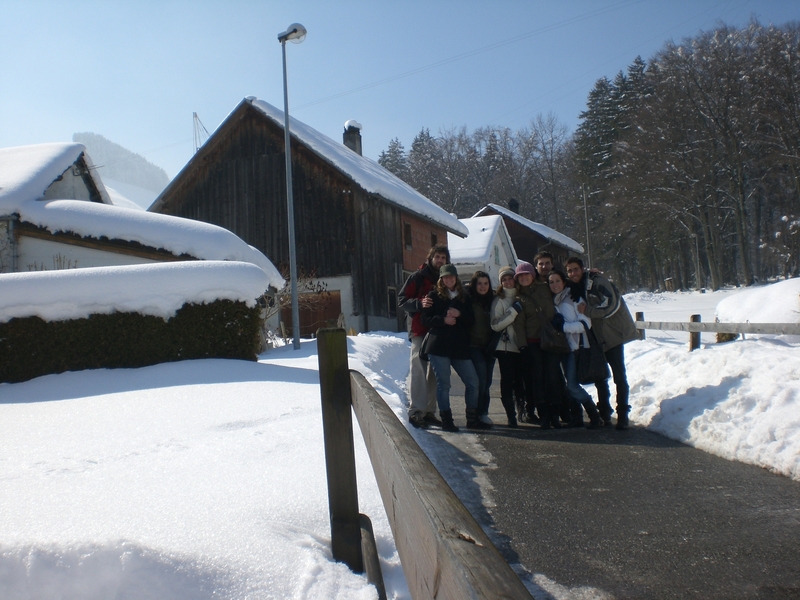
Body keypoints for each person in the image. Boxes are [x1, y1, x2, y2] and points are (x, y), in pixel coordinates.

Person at [566, 257, 638, 430]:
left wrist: (588, 311)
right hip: (596, 339)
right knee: (600, 377)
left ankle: (622, 415)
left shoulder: (597, 282)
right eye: (569, 271)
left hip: (612, 336)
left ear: (582, 269)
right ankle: (605, 413)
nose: (573, 273)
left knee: (619, 376)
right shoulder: (576, 287)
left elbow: (611, 304)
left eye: (575, 269)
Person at [421, 264, 489, 432]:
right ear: (441, 279)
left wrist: (460, 314)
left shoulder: (464, 297)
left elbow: (471, 320)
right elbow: (425, 319)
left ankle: (472, 419)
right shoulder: (433, 295)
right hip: (439, 347)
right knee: (444, 385)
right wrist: (443, 320)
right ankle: (447, 421)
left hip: (460, 348)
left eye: (451, 276)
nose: (449, 279)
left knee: (473, 382)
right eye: (445, 277)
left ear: (456, 278)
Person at [398, 245, 449, 429]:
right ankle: (416, 411)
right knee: (419, 369)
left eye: (443, 258)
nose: (440, 260)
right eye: (437, 257)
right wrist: (419, 303)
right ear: (430, 258)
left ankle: (429, 411)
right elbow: (402, 300)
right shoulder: (417, 277)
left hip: (439, 331)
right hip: (419, 329)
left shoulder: (447, 279)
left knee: (435, 372)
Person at [547, 269, 602, 428]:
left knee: (572, 384)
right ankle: (577, 417)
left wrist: (563, 327)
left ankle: (594, 415)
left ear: (564, 282)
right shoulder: (555, 300)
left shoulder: (574, 298)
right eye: (551, 282)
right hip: (564, 348)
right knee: (568, 384)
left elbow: (585, 324)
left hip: (576, 347)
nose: (555, 284)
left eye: (557, 281)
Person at [511, 261, 563, 429]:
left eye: (526, 274)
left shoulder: (545, 288)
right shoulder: (518, 298)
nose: (524, 278)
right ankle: (544, 415)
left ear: (533, 275)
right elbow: (519, 324)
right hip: (533, 342)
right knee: (538, 379)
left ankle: (555, 414)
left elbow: (562, 286)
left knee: (553, 378)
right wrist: (523, 346)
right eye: (520, 276)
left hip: (550, 339)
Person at [490, 265, 524, 427]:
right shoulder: (499, 300)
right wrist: (513, 312)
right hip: (505, 348)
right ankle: (511, 415)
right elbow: (495, 325)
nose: (508, 282)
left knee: (521, 382)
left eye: (510, 278)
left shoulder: (521, 296)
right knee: (507, 382)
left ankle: (523, 411)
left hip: (522, 346)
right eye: (504, 279)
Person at [467, 271, 496, 427]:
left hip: (489, 346)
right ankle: (476, 414)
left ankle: (483, 413)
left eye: (486, 283)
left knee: (487, 382)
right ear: (474, 285)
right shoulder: (469, 300)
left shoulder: (493, 300)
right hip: (474, 345)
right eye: (479, 283)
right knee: (480, 380)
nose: (483, 286)